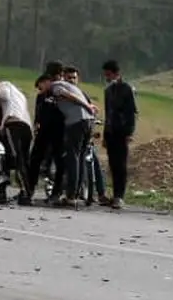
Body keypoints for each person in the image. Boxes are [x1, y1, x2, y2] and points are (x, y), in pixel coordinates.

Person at [43, 71, 97, 208]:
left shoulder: (56, 86)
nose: (41, 89)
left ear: (48, 81)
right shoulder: (74, 87)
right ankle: (76, 193)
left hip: (76, 122)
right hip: (89, 122)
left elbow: (68, 96)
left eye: (41, 85)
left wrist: (86, 105)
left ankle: (71, 196)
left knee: (73, 158)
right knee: (80, 158)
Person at [0, 77, 35, 205]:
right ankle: (26, 191)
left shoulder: (5, 85)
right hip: (26, 128)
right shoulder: (20, 95)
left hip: (13, 125)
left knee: (15, 158)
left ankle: (24, 193)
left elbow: (3, 95)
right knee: (23, 160)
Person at [64, 66, 107, 205]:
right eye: (69, 77)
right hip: (69, 129)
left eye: (74, 77)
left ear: (78, 79)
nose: (71, 80)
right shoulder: (62, 91)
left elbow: (92, 109)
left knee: (91, 159)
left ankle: (100, 194)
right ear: (63, 77)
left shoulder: (81, 93)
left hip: (82, 128)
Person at [101, 59, 138, 210]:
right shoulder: (108, 91)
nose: (107, 77)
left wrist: (129, 132)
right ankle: (114, 194)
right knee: (113, 164)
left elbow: (131, 112)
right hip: (110, 132)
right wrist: (104, 134)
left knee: (121, 165)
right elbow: (107, 114)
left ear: (116, 73)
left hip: (121, 132)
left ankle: (120, 196)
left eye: (109, 74)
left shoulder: (126, 89)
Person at [28, 61, 66, 201]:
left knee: (60, 162)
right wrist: (36, 124)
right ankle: (29, 188)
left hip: (59, 131)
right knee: (35, 159)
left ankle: (56, 192)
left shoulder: (62, 92)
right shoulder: (42, 94)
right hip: (44, 130)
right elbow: (38, 112)